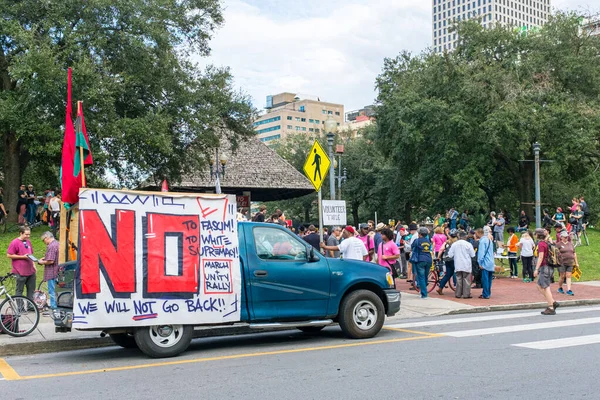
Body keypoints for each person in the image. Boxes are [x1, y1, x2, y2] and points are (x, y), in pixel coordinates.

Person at [6, 226, 37, 302]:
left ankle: (31, 306)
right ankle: (20, 308)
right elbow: (9, 255)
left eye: (29, 234)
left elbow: (30, 254)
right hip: (20, 271)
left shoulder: (28, 242)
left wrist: (34, 265)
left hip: (30, 270)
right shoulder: (14, 242)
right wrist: (22, 257)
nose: (28, 236)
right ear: (21, 233)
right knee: (19, 290)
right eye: (26, 234)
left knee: (31, 289)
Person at [534, 229, 559, 315]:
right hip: (550, 267)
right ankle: (552, 301)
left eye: (536, 234)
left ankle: (551, 307)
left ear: (538, 235)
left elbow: (541, 257)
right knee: (539, 286)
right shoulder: (547, 243)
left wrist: (536, 269)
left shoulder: (541, 244)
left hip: (545, 267)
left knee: (545, 287)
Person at [446, 230, 475, 299]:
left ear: (458, 236)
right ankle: (466, 294)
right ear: (465, 237)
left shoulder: (454, 244)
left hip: (458, 264)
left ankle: (458, 293)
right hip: (466, 264)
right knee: (467, 280)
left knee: (458, 279)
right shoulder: (468, 244)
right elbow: (472, 255)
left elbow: (450, 255)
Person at [38, 231, 60, 312]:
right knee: (57, 291)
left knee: (52, 291)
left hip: (52, 272)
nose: (44, 242)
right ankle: (57, 307)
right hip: (58, 271)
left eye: (43, 240)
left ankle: (54, 308)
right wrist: (45, 258)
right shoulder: (57, 243)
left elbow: (51, 261)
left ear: (46, 238)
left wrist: (41, 262)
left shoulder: (51, 246)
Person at [411, 227, 433, 299]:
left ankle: (424, 294)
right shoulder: (428, 241)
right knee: (425, 276)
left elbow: (412, 247)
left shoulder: (417, 241)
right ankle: (424, 291)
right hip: (429, 259)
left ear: (420, 234)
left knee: (421, 277)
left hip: (420, 260)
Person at [556, 230, 578, 296]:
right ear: (561, 237)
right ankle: (560, 287)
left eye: (566, 237)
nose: (566, 238)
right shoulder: (558, 244)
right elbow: (555, 254)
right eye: (564, 237)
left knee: (569, 276)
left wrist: (576, 262)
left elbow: (574, 253)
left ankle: (569, 290)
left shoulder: (570, 244)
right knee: (562, 276)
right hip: (561, 263)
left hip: (570, 262)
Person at [436, 229, 457, 295]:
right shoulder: (456, 242)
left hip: (446, 259)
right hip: (454, 259)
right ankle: (457, 287)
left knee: (448, 274)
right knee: (457, 273)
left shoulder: (447, 242)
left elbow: (441, 249)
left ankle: (440, 288)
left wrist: (438, 257)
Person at [477, 226, 494, 299]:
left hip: (485, 262)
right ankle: (488, 292)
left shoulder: (482, 241)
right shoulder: (490, 240)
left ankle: (485, 294)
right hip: (491, 262)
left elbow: (481, 253)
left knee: (485, 279)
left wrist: (480, 263)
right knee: (489, 279)